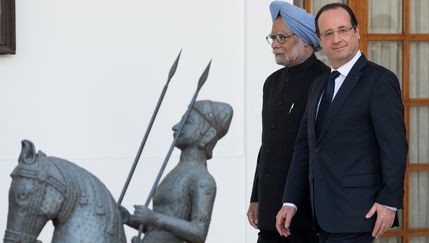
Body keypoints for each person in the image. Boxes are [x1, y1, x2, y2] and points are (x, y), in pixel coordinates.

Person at [275, 3, 407, 243]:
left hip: (358, 213)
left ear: (356, 32)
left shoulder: (379, 80)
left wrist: (389, 200)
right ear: (320, 39)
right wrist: (290, 201)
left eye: (342, 30)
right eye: (328, 33)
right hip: (320, 216)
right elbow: (305, 147)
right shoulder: (319, 84)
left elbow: (394, 146)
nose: (336, 39)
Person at [247, 2, 328, 243]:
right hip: (270, 210)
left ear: (305, 40)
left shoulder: (325, 81)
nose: (274, 44)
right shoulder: (271, 83)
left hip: (306, 217)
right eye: (272, 37)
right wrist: (256, 196)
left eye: (282, 36)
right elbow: (267, 145)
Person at [125, 100, 233, 243]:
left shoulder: (202, 179)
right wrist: (128, 218)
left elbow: (199, 232)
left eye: (187, 122)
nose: (176, 127)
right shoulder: (176, 172)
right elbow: (161, 231)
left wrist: (154, 218)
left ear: (208, 134)